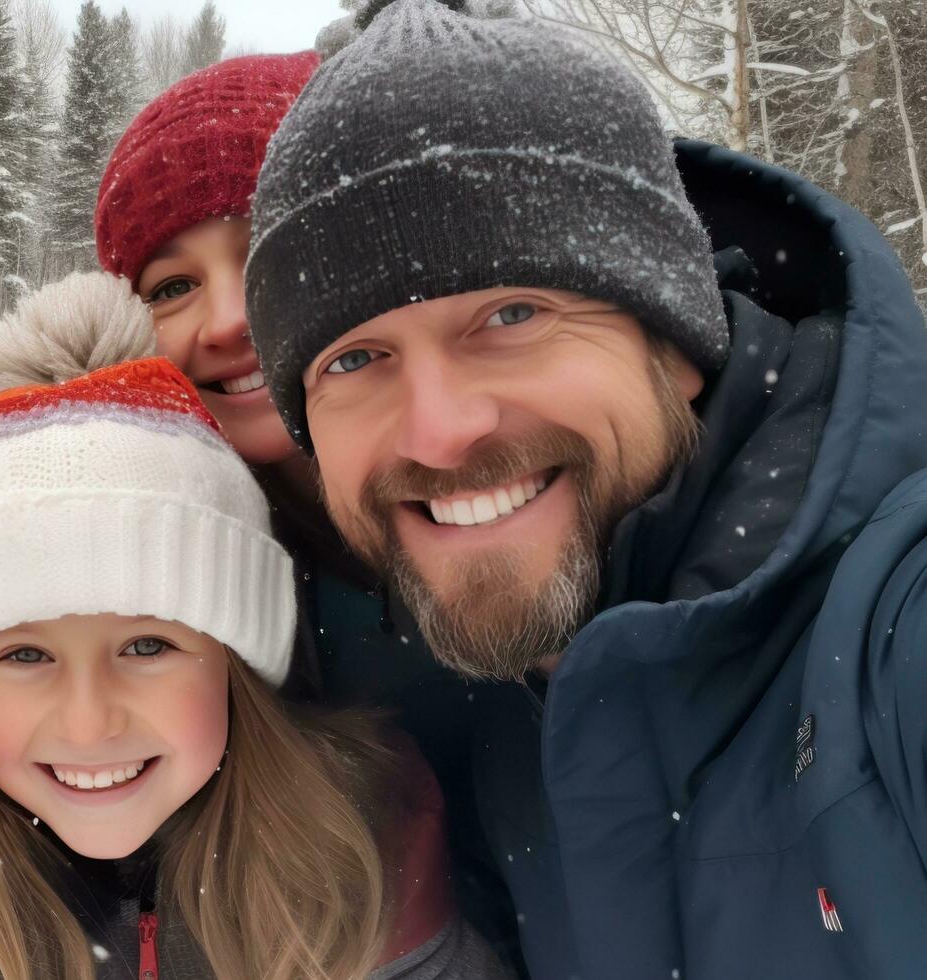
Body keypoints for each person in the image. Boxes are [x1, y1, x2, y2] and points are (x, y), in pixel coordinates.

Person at [244, 1, 927, 978]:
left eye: (512, 312)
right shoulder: (496, 703)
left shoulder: (893, 638)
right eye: (355, 358)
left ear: (678, 340)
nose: (439, 428)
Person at [0, 273, 504, 980]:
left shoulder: (362, 857)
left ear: (235, 662)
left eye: (146, 646)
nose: (87, 721)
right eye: (24, 654)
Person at [87, 50, 511, 954]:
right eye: (171, 287)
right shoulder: (135, 561)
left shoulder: (516, 468)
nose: (228, 318)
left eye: (268, 251)